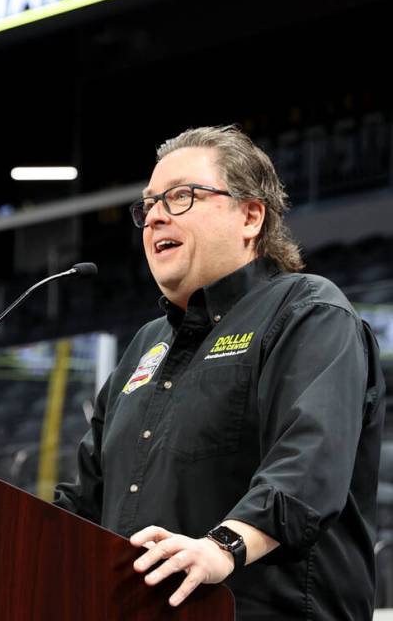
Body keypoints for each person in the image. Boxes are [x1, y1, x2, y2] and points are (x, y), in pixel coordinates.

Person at [54, 125, 384, 620]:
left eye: (181, 196)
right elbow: (84, 500)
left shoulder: (308, 312)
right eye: (148, 205)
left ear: (251, 215)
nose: (155, 216)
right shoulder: (146, 346)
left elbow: (309, 464)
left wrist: (222, 546)